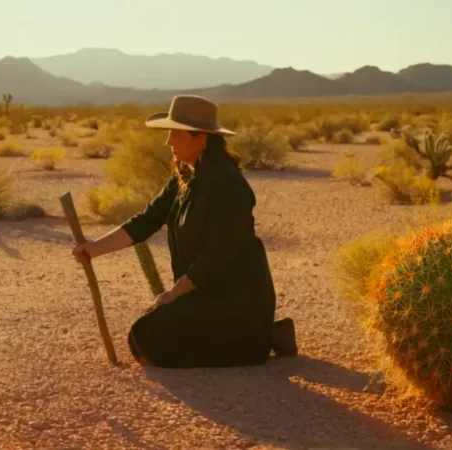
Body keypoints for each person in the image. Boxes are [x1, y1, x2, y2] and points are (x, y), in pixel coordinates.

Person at [71, 94, 297, 368]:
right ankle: (265, 335)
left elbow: (218, 256)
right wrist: (94, 249)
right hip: (203, 292)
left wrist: (174, 293)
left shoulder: (228, 185)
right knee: (144, 336)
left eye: (175, 134)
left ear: (201, 138)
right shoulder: (184, 176)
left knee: (149, 336)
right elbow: (147, 219)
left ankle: (257, 338)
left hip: (236, 298)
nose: (168, 143)